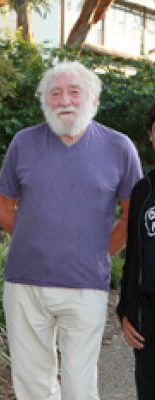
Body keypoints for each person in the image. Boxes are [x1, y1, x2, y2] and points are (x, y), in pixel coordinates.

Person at [0, 60, 142, 400]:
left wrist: (97, 250)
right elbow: (2, 208)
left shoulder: (120, 147)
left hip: (86, 283)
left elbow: (131, 216)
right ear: (45, 101)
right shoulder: (23, 142)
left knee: (79, 382)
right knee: (32, 382)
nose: (64, 101)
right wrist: (39, 239)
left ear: (93, 100)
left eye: (74, 92)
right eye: (55, 93)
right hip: (25, 282)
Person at [117, 103, 155, 399]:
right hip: (149, 312)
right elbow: (133, 257)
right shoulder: (143, 190)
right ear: (151, 137)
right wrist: (125, 311)